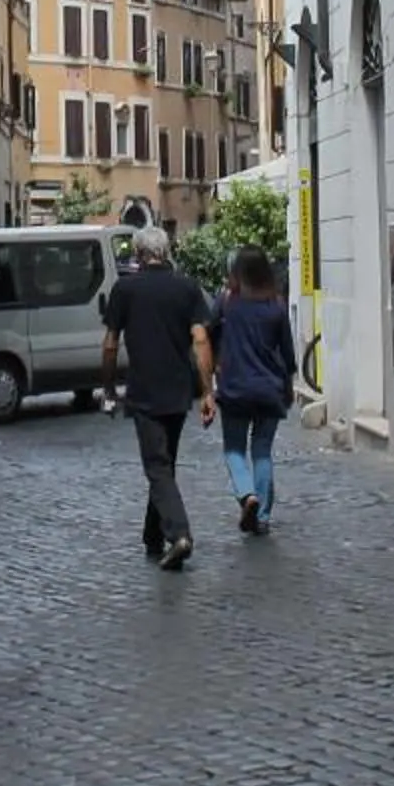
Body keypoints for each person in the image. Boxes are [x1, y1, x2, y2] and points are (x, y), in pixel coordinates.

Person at [99, 225, 215, 570]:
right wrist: (209, 391)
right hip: (179, 390)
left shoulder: (126, 289)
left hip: (144, 390)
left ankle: (179, 534)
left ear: (138, 254)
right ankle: (153, 536)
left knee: (157, 467)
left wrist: (107, 389)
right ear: (167, 252)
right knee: (164, 463)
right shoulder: (187, 287)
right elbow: (201, 340)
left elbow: (109, 343)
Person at [209, 246, 298, 534]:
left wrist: (212, 369)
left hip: (235, 387)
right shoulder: (277, 305)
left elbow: (207, 333)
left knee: (234, 449)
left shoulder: (227, 302)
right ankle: (261, 516)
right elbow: (287, 352)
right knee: (262, 451)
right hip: (269, 388)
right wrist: (288, 386)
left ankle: (248, 494)